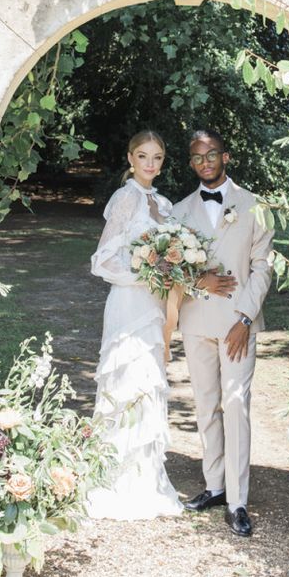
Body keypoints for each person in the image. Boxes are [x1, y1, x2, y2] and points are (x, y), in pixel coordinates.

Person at [171, 129, 274, 537]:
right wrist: (200, 280)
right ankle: (214, 486)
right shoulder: (179, 212)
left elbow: (263, 266)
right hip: (196, 321)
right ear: (191, 163)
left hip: (237, 325)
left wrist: (245, 318)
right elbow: (173, 268)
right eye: (198, 157)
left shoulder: (253, 205)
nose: (206, 162)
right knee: (205, 404)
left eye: (212, 154)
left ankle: (238, 500)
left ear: (225, 156)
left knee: (236, 406)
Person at [85, 131, 183, 520]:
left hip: (156, 305)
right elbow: (102, 260)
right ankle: (113, 476)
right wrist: (145, 273)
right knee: (126, 379)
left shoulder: (164, 203)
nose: (150, 164)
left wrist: (171, 272)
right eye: (143, 156)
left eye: (157, 157)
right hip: (129, 302)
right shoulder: (125, 199)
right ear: (130, 158)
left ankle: (146, 478)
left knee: (150, 378)